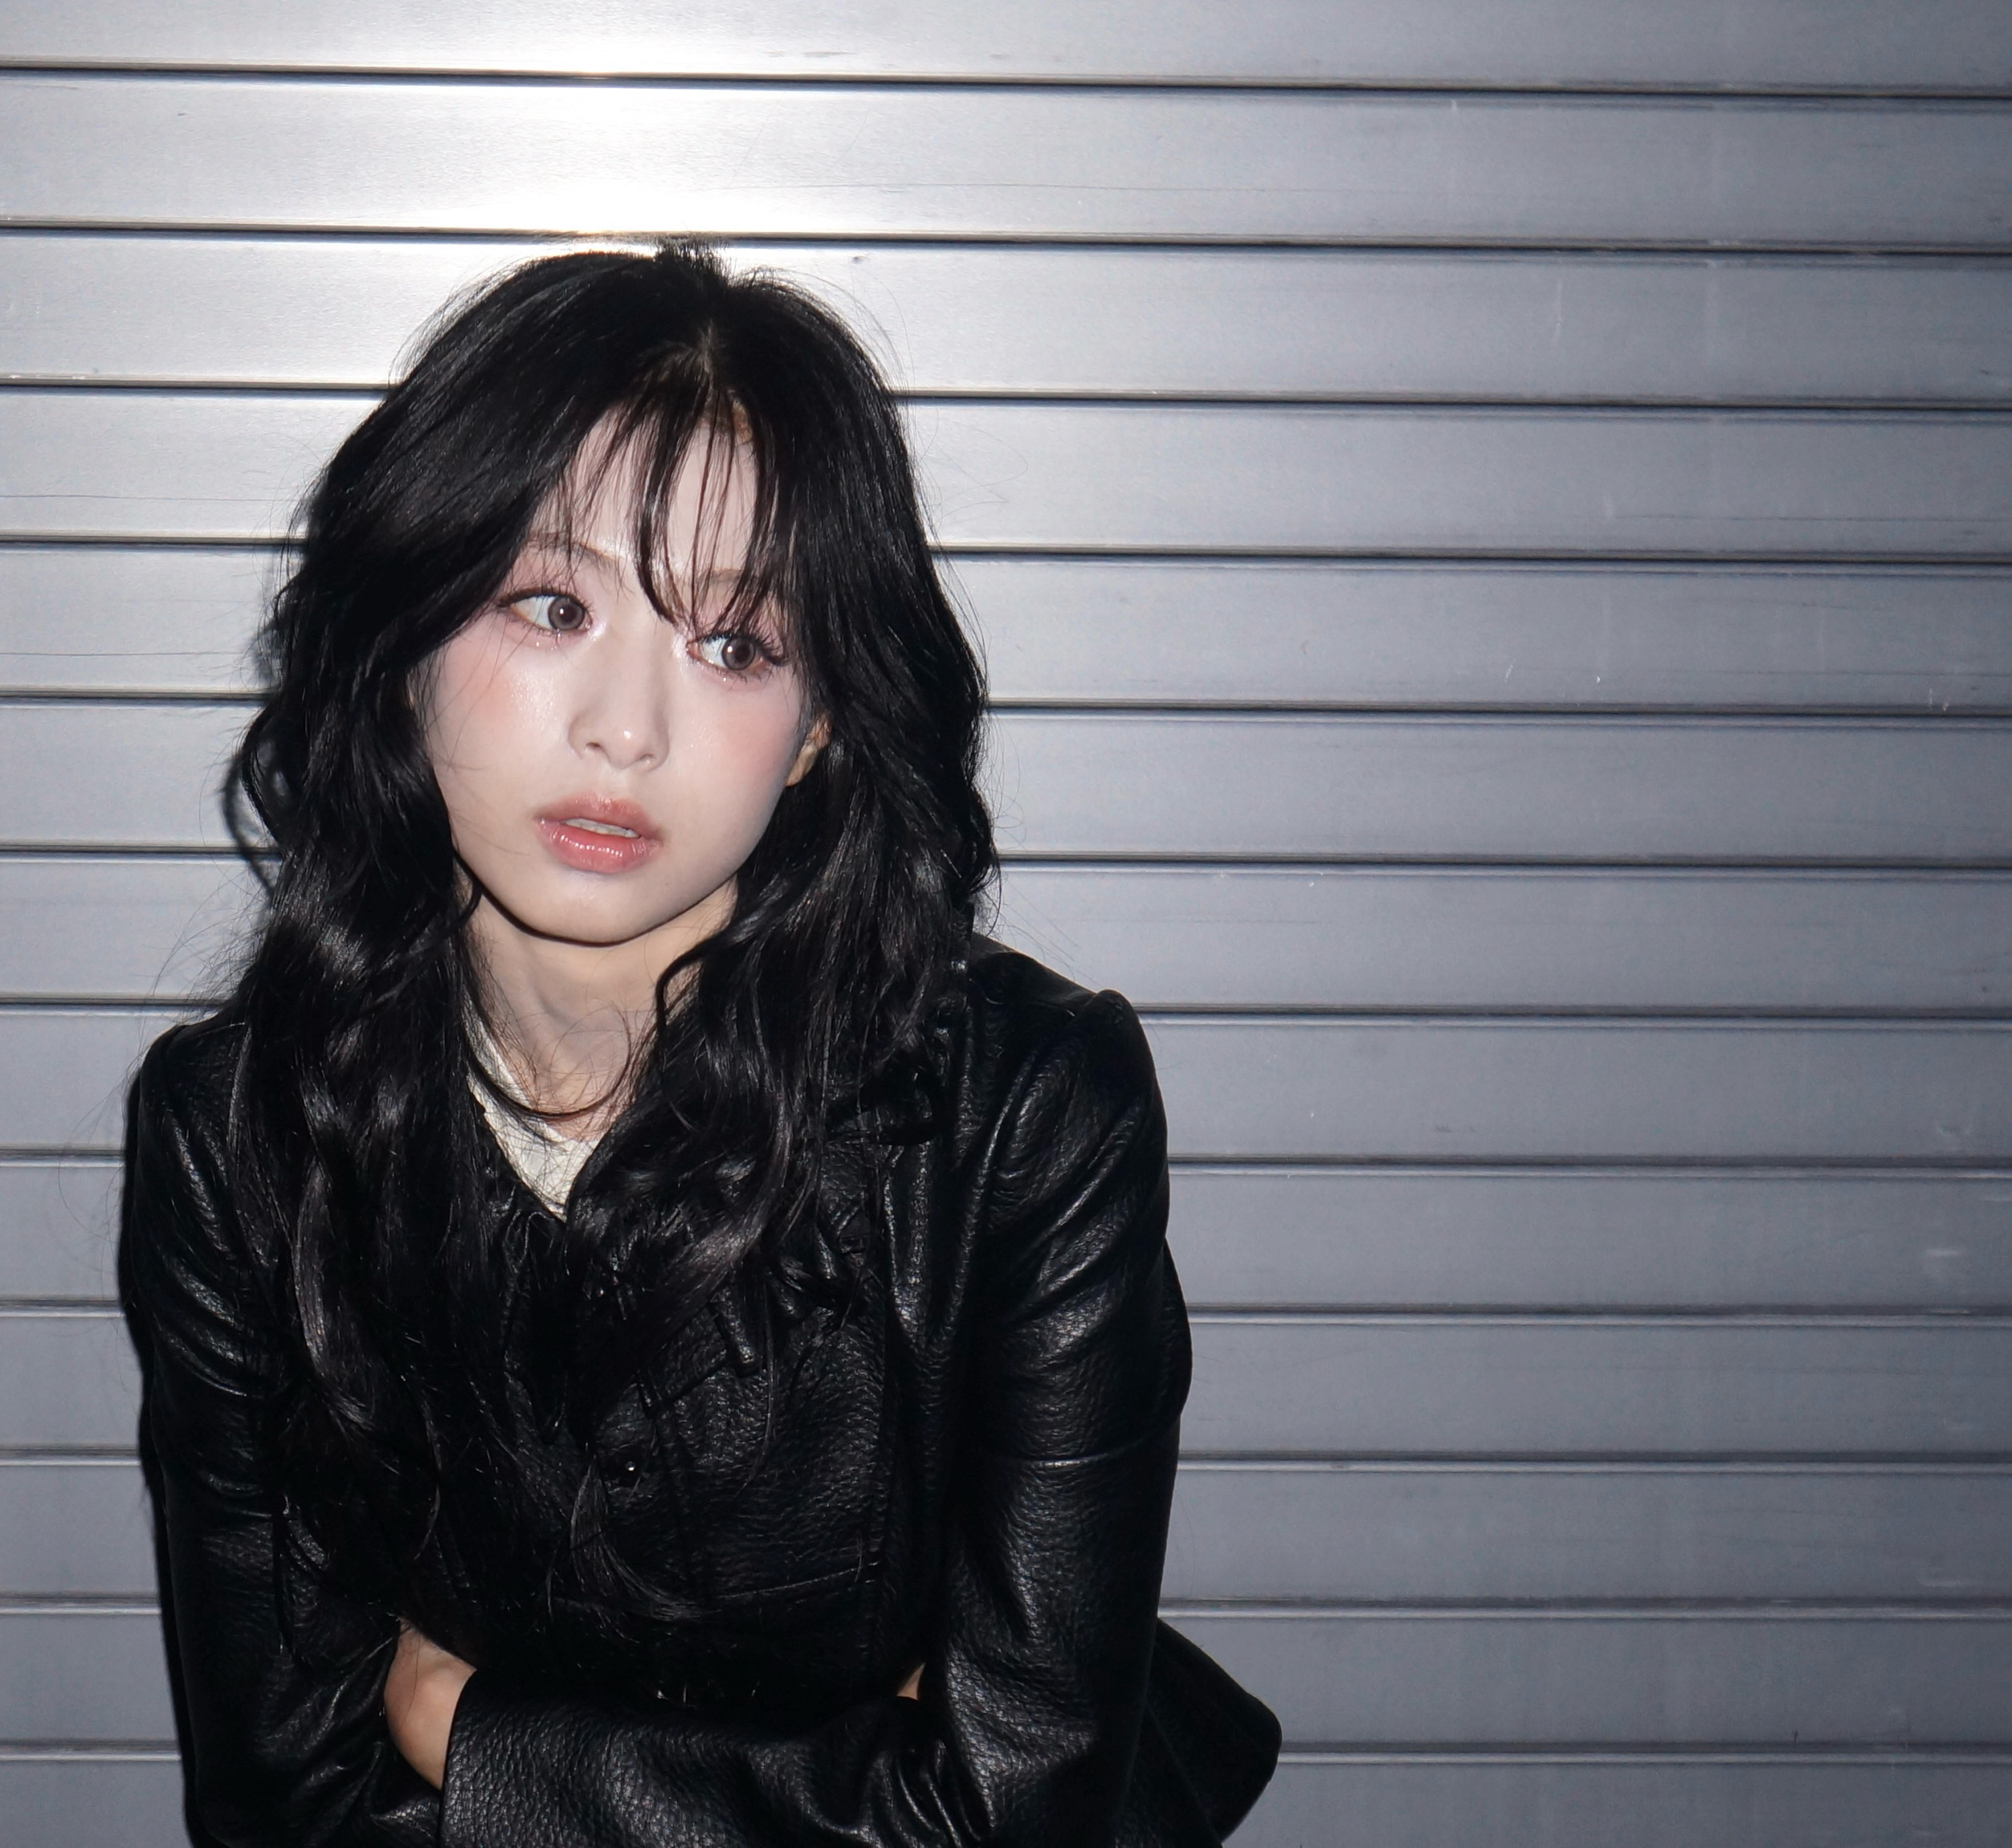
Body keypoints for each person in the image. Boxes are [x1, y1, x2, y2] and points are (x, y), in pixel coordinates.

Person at [116, 243, 1279, 1846]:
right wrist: (845, 1780)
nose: (626, 727)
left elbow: (1015, 1811)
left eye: (731, 643)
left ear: (818, 726)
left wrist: (471, 1738)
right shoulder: (238, 1137)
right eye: (550, 605)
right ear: (403, 644)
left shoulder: (1024, 1114)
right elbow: (289, 1802)